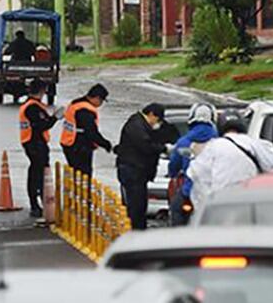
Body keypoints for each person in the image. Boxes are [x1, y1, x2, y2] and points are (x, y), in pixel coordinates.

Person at [188, 117, 273, 209]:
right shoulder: (254, 143)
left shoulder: (213, 146)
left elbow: (196, 173)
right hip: (251, 201)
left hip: (221, 203)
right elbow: (272, 164)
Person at [114, 102, 169, 231]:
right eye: (157, 119)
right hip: (133, 170)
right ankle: (135, 230)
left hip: (137, 171)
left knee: (139, 203)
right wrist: (163, 148)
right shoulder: (136, 125)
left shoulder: (139, 124)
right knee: (136, 204)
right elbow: (145, 145)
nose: (156, 123)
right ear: (151, 114)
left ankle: (138, 228)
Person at [166, 103, 219, 226]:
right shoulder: (221, 142)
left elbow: (174, 166)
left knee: (176, 209)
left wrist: (172, 173)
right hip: (215, 192)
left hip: (190, 191)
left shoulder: (183, 142)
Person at [19, 78, 61, 218]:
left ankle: (41, 203)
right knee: (38, 173)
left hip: (32, 142)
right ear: (42, 91)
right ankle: (36, 204)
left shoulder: (32, 105)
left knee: (37, 172)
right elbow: (42, 125)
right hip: (35, 143)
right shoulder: (32, 107)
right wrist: (55, 118)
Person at [60, 83, 113, 177]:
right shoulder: (85, 110)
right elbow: (91, 132)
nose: (100, 104)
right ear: (97, 98)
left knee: (76, 174)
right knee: (83, 176)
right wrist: (106, 144)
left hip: (69, 143)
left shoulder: (76, 103)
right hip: (79, 146)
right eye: (101, 101)